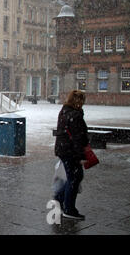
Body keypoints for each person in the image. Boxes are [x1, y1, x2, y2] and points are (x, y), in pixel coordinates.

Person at [54, 90, 88, 220]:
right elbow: (77, 138)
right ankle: (68, 208)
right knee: (74, 178)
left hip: (63, 149)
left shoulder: (64, 111)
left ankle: (60, 200)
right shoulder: (75, 115)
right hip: (70, 151)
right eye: (82, 100)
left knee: (71, 177)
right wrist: (82, 156)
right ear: (78, 101)